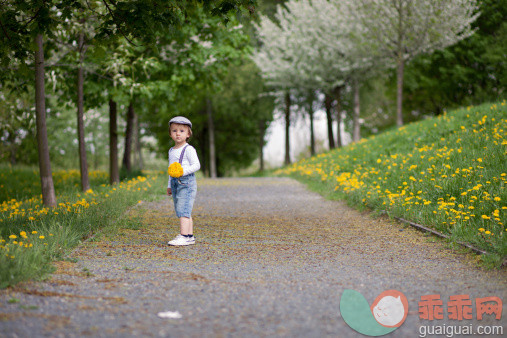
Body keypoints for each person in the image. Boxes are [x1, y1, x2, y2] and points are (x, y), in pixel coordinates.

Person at [166, 116, 200, 246]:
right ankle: (190, 236)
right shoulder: (171, 151)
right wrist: (169, 185)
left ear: (188, 134)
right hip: (175, 182)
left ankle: (184, 236)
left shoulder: (189, 149)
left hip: (187, 182)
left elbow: (197, 165)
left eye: (181, 131)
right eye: (174, 130)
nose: (178, 133)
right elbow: (171, 169)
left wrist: (183, 171)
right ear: (170, 134)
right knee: (184, 209)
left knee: (183, 209)